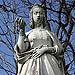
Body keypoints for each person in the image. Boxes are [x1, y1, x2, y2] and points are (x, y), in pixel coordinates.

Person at [14, 4, 65, 75]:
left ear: (43, 16)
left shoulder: (50, 34)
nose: (38, 15)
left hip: (49, 63)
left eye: (41, 13)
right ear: (31, 16)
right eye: (36, 13)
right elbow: (21, 51)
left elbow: (59, 50)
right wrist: (22, 31)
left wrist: (45, 49)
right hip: (31, 64)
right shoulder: (28, 34)